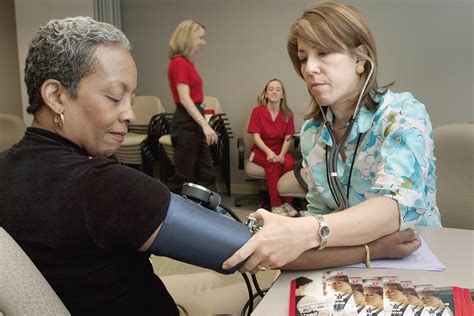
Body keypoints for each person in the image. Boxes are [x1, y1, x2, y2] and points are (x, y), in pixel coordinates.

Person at [0, 16, 252, 315]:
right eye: (115, 97)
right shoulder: (102, 185)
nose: (130, 114)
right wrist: (320, 227)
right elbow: (247, 249)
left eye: (131, 99)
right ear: (55, 96)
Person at [223, 1, 436, 273]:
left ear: (360, 57)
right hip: (347, 263)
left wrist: (304, 231)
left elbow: (393, 210)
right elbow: (312, 229)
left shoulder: (404, 114)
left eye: (323, 52)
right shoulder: (313, 132)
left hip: (416, 258)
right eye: (303, 58)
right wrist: (366, 249)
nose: (309, 68)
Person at [167, 19, 217, 194]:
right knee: (184, 175)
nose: (203, 42)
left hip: (193, 121)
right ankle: (168, 215)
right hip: (186, 123)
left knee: (205, 172)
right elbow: (185, 99)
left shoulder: (187, 63)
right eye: (200, 38)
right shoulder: (179, 63)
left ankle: (211, 214)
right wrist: (205, 125)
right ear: (188, 38)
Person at [247, 78, 297, 216]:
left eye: (278, 89)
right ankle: (276, 204)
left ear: (282, 95)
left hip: (279, 149)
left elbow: (288, 137)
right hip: (261, 150)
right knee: (273, 164)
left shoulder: (288, 114)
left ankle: (287, 203)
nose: (274, 92)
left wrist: (282, 154)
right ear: (266, 94)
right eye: (271, 89)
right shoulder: (257, 111)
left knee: (289, 163)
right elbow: (256, 136)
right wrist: (269, 152)